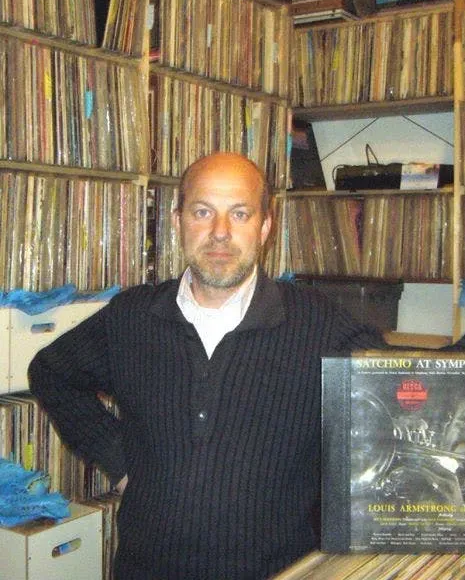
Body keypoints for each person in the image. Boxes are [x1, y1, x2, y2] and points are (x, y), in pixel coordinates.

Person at [29, 151, 389, 580]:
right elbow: (52, 373)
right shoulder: (131, 317)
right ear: (178, 221)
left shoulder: (320, 324)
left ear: (265, 227)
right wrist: (119, 459)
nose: (220, 232)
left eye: (240, 214)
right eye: (203, 212)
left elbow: (400, 399)